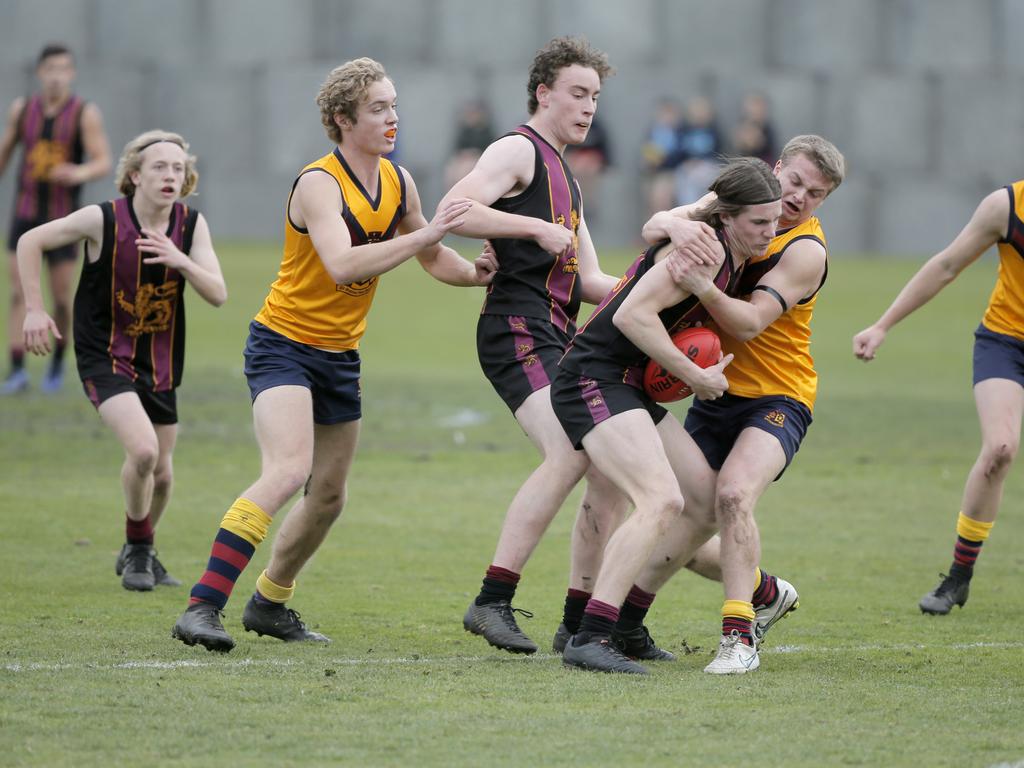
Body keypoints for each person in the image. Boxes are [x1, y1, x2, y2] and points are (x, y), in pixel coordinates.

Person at [171, 58, 496, 653]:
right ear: (343, 120)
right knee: (288, 471)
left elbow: (431, 257)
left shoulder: (399, 181)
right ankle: (202, 606)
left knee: (327, 496)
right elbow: (343, 262)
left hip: (340, 355)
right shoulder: (319, 182)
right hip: (284, 345)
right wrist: (426, 236)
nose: (393, 117)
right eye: (378, 108)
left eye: (394, 105)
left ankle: (270, 601)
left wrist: (475, 274)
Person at [438, 36, 641, 657]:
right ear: (543, 92)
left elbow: (589, 281)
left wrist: (671, 287)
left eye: (596, 97)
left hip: (559, 330)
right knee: (569, 452)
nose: (588, 108)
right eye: (577, 94)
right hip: (516, 327)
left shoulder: (569, 180)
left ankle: (579, 620)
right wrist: (529, 226)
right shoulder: (516, 150)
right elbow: (452, 209)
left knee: (604, 465)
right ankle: (491, 600)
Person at [554, 157, 782, 675]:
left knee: (703, 504)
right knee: (661, 499)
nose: (770, 233)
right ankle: (591, 635)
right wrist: (694, 376)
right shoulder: (708, 250)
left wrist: (673, 223)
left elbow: (664, 222)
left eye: (774, 221)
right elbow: (634, 314)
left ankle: (627, 626)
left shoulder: (719, 237)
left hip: (626, 382)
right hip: (593, 376)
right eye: (759, 223)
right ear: (727, 217)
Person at [627, 134, 845, 674]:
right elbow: (653, 226)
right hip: (714, 387)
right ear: (776, 170)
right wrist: (680, 223)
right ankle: (759, 591)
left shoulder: (805, 251)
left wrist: (701, 282)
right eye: (794, 182)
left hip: (778, 396)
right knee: (676, 515)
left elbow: (747, 324)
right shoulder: (740, 202)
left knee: (732, 497)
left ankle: (738, 638)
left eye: (814, 194)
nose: (798, 198)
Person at [19, 129, 225, 591]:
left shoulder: (191, 226)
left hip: (162, 361)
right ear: (135, 176)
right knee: (144, 451)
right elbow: (31, 240)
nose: (171, 175)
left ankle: (140, 547)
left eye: (178, 168)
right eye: (159, 167)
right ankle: (138, 548)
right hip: (105, 356)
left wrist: (183, 261)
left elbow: (218, 294)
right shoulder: (103, 220)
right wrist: (34, 308)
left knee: (164, 475)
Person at [853, 182, 1024, 615]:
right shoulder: (1006, 206)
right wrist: (882, 325)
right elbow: (947, 265)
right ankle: (959, 576)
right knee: (1000, 449)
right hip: (1006, 342)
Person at [2, 43, 112, 394]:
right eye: (50, 68)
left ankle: (56, 365)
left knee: (62, 297)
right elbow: (6, 151)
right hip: (24, 214)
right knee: (19, 292)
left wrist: (78, 173)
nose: (56, 75)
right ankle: (17, 369)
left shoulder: (84, 113)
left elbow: (103, 160)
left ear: (72, 73)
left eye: (63, 68)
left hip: (64, 220)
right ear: (40, 72)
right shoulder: (23, 110)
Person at [641, 97, 686, 218]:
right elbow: (647, 151)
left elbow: (681, 154)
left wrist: (663, 159)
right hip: (654, 171)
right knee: (652, 199)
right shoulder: (654, 131)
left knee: (663, 197)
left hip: (672, 172)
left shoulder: (680, 133)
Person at [564, 115, 612, 227]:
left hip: (592, 160)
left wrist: (607, 162)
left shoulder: (597, 126)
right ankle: (575, 201)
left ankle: (586, 203)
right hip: (575, 159)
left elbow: (603, 145)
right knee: (578, 169)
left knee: (588, 169)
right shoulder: (570, 124)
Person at [674, 95, 722, 206]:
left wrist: (701, 161)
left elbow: (719, 153)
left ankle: (703, 208)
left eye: (702, 111)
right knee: (683, 175)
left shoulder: (714, 131)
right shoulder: (685, 131)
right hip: (688, 167)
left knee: (700, 177)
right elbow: (680, 153)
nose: (699, 114)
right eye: (696, 111)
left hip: (709, 166)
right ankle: (689, 208)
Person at [443, 99, 495, 189]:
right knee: (451, 169)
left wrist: (474, 153)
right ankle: (452, 191)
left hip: (479, 161)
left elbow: (489, 149)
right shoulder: (465, 131)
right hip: (463, 160)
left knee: (467, 168)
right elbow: (458, 149)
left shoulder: (486, 132)